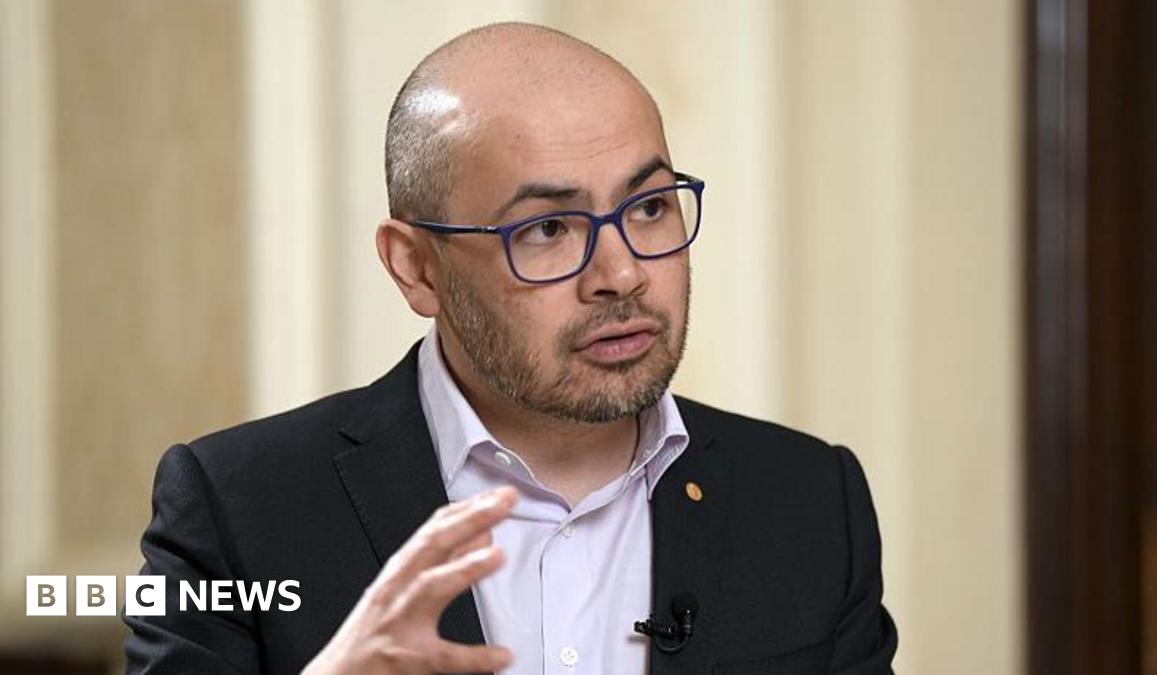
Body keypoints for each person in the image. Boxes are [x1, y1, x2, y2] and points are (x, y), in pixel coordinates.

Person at [123, 22, 897, 675]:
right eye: (548, 228)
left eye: (650, 207)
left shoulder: (809, 501)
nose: (622, 273)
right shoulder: (238, 508)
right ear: (416, 267)